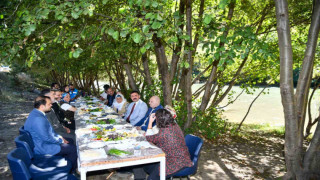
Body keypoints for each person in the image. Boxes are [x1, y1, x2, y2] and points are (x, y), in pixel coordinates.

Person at [134, 109, 193, 180]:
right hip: (181, 157)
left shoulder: (164, 133)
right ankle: (141, 177)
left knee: (151, 178)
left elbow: (149, 138)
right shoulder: (174, 125)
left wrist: (150, 122)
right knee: (145, 165)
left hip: (176, 162)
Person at [24, 96, 78, 172]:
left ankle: (67, 162)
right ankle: (71, 171)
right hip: (42, 146)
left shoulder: (36, 113)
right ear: (42, 106)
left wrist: (59, 137)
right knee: (73, 148)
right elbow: (46, 138)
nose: (51, 105)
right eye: (49, 104)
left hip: (43, 141)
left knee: (70, 141)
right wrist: (60, 140)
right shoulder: (38, 119)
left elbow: (49, 132)